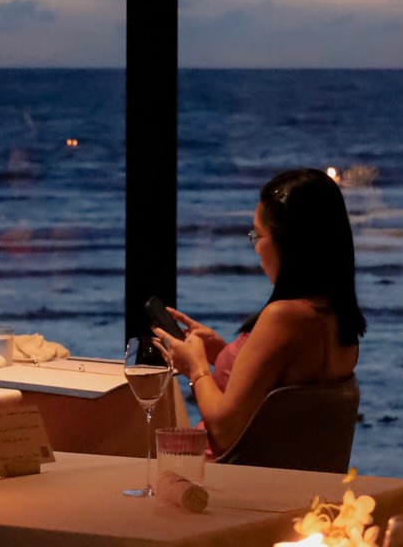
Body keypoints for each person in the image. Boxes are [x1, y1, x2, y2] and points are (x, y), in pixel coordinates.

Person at [154, 168, 364, 454]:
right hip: (287, 479)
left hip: (222, 480)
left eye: (258, 235)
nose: (255, 248)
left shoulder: (285, 317)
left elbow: (225, 431)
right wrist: (221, 353)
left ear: (287, 243)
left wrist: (196, 367)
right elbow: (278, 388)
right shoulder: (334, 316)